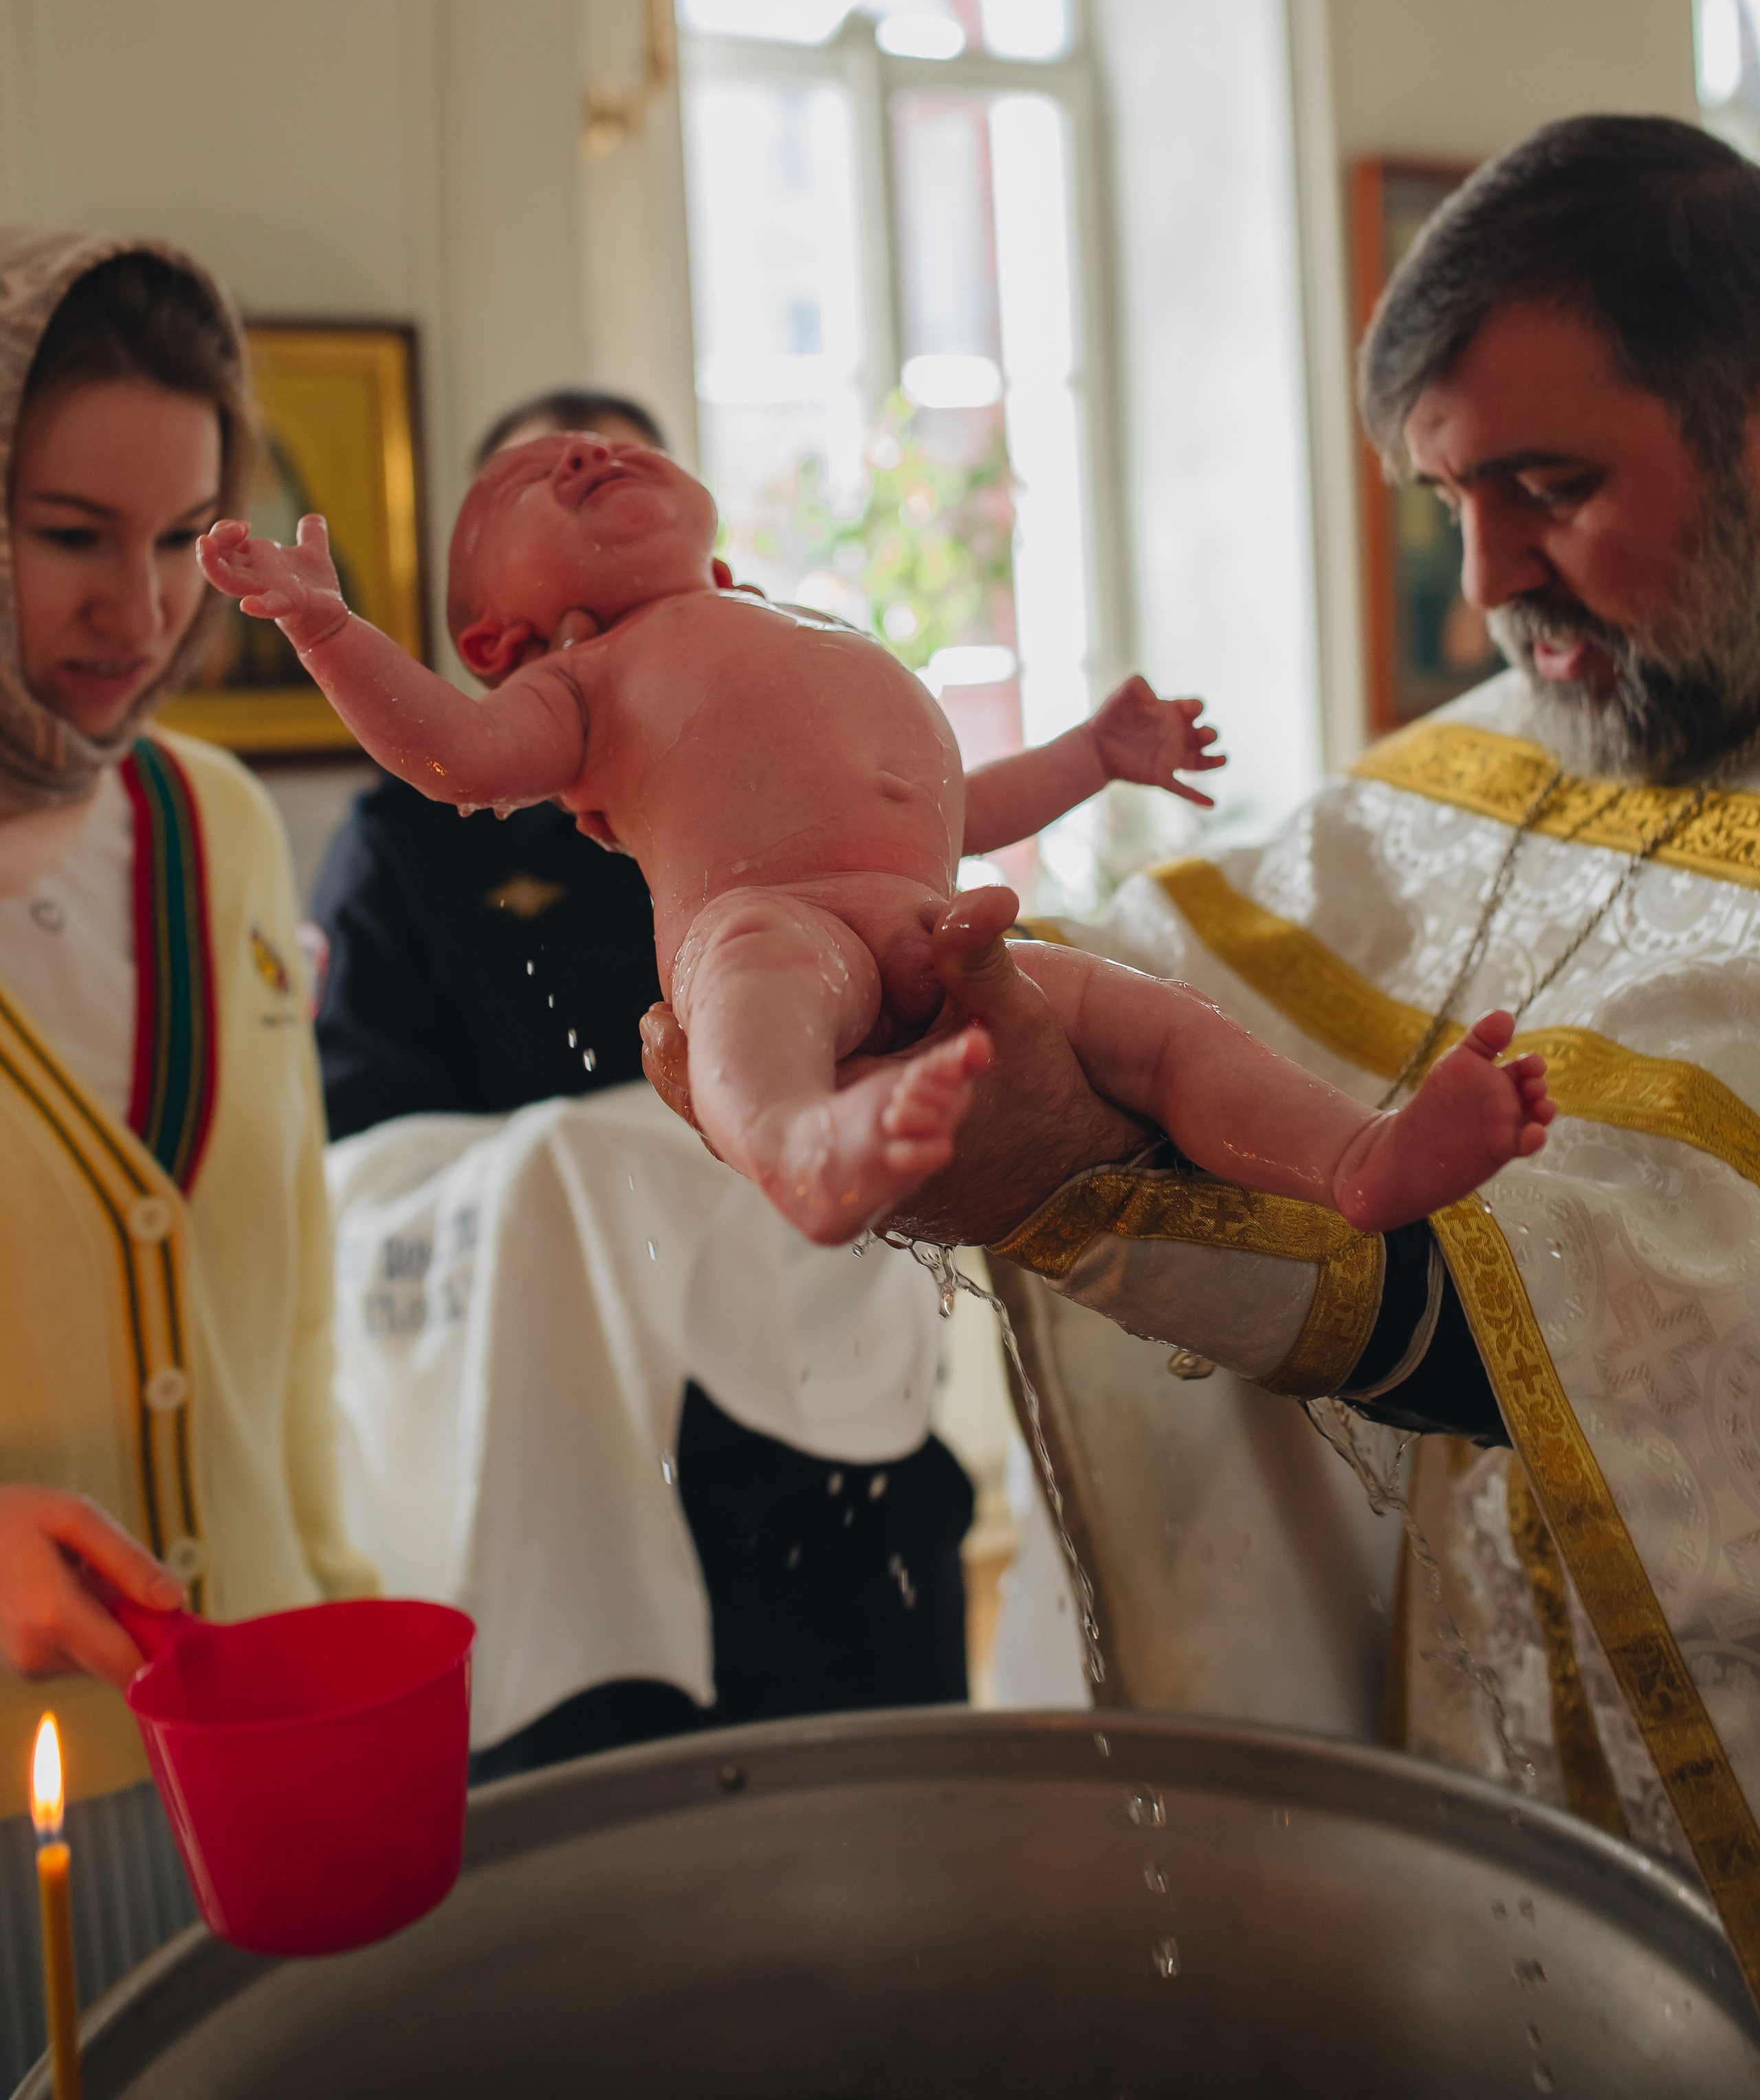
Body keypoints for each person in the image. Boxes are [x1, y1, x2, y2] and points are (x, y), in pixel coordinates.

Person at [647, 113, 1760, 2004]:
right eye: (1454, 507)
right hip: (1469, 1771)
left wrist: (1072, 1171)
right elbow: (1133, 959)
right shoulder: (1487, 753)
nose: (1489, 580)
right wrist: (856, 960)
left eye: (1552, 488)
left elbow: (1615, 1332)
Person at [200, 431, 1551, 1243]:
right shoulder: (586, 680)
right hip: (770, 918)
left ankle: (1353, 1159)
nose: (576, 454)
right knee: (741, 1005)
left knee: (1156, 1027)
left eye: (599, 449)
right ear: (507, 639)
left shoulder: (807, 637)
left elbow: (956, 814)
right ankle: (799, 1146)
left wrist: (1094, 754)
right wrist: (325, 626)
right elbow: (450, 754)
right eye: (528, 490)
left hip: (937, 921)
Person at [310, 389, 977, 1778]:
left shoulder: (797, 768)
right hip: (576, 1463)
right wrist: (609, 1159)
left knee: (894, 1847)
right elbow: (365, 1176)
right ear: (496, 644)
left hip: (827, 1454)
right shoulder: (404, 841)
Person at [0, 235, 373, 2088]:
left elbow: (289, 1321)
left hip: (260, 1756)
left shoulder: (215, 822)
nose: (135, 610)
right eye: (71, 534)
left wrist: (348, 1625)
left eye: (184, 539)